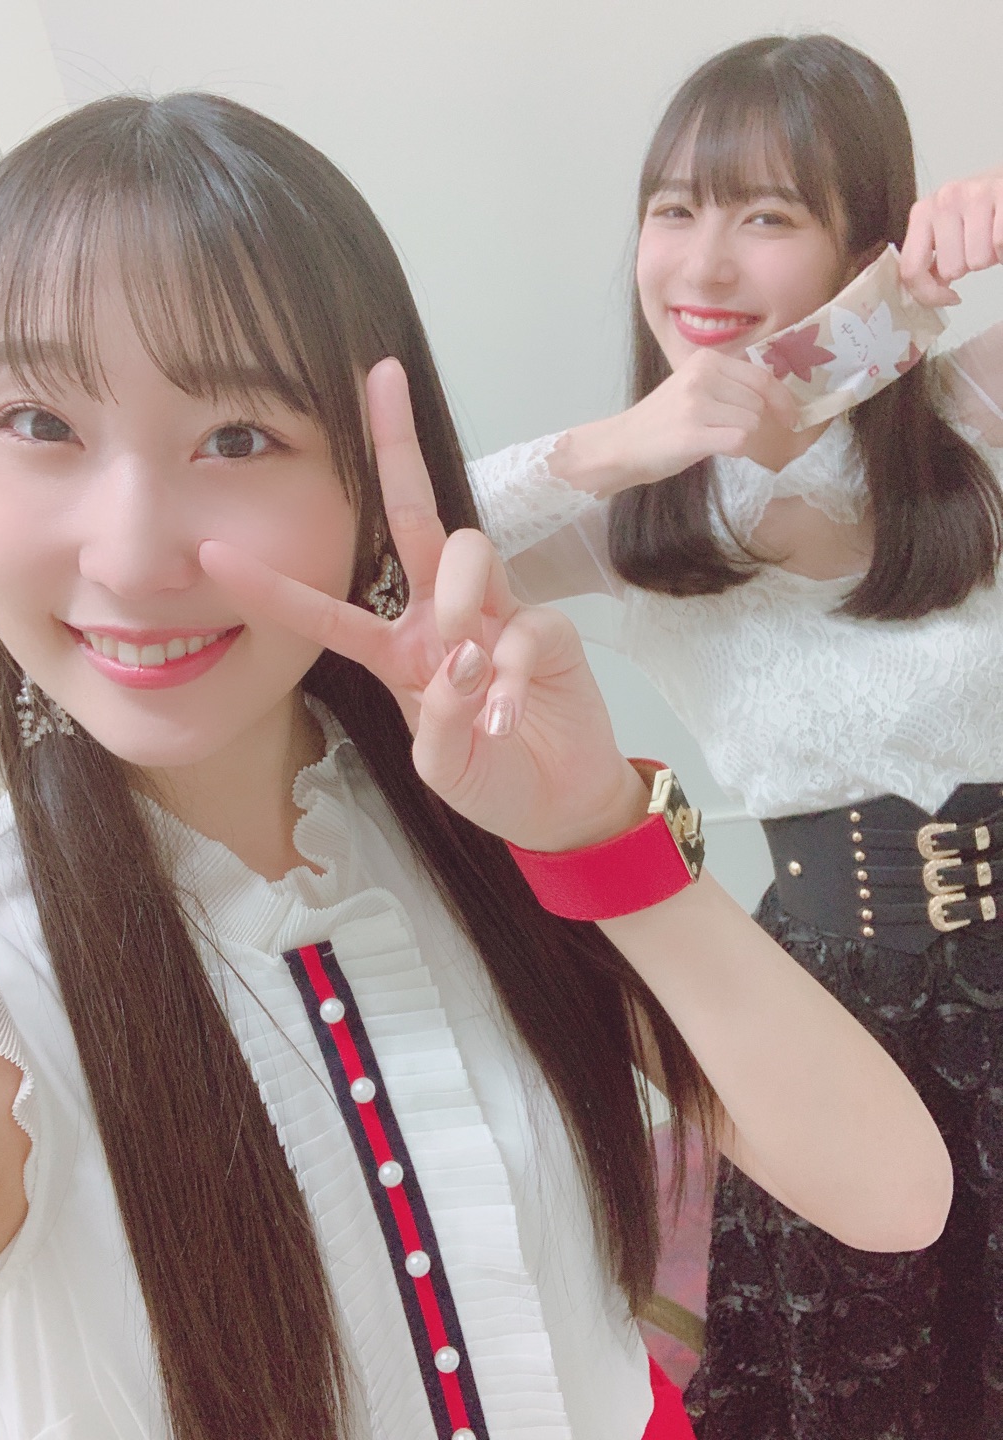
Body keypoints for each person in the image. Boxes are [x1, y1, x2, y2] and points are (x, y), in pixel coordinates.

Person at [0, 92, 950, 1440]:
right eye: (37, 423)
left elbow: (892, 1195)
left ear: (366, 482)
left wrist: (595, 828)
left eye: (238, 438)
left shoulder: (471, 815)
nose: (128, 555)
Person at [467, 31, 1003, 1440]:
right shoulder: (635, 520)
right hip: (819, 1014)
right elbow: (381, 569)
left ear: (862, 246)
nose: (700, 266)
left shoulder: (973, 419)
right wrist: (615, 446)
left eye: (766, 216)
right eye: (674, 210)